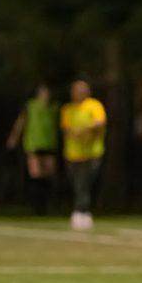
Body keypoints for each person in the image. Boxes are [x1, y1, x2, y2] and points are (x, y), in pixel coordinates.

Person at [60, 79, 106, 231]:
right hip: (73, 153)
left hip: (91, 153)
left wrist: (86, 130)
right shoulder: (67, 109)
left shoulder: (94, 105)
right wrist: (77, 133)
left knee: (84, 183)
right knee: (78, 184)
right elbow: (66, 129)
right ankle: (81, 212)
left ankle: (81, 213)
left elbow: (100, 122)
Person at [5, 83, 59, 215]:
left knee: (48, 175)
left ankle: (46, 204)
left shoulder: (54, 107)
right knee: (36, 174)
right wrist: (14, 138)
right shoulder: (30, 106)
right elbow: (21, 122)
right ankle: (36, 206)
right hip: (33, 144)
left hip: (49, 144)